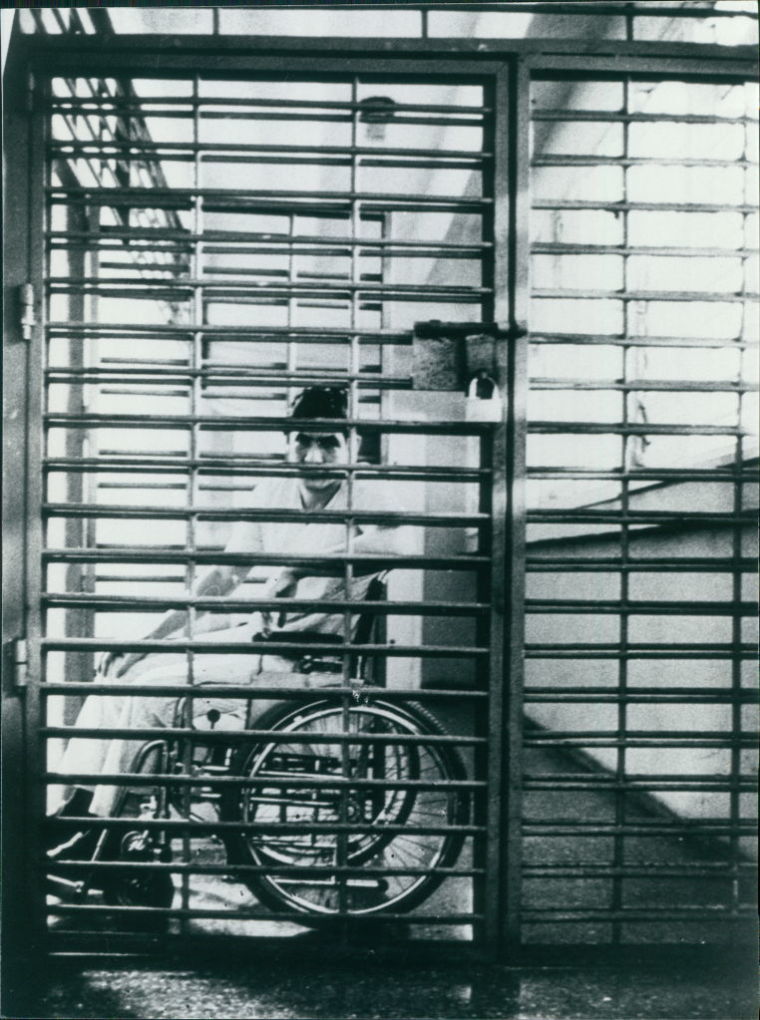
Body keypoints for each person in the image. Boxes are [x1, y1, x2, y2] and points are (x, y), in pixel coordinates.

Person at [47, 386, 411, 859]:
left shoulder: (368, 491)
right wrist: (148, 640)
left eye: (329, 443)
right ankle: (76, 810)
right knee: (121, 673)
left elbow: (393, 547)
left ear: (352, 446)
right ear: (287, 441)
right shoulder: (273, 492)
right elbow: (223, 575)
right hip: (265, 639)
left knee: (152, 692)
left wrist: (301, 567)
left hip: (314, 662)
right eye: (303, 440)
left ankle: (110, 830)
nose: (315, 455)